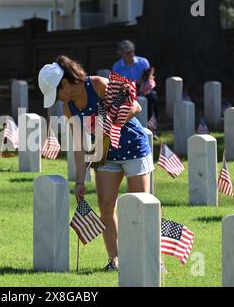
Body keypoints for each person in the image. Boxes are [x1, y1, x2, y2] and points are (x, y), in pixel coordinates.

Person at [38, 55, 154, 271]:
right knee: (106, 207)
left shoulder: (98, 85)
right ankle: (115, 259)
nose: (57, 100)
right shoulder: (69, 108)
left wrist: (111, 125)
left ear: (65, 84)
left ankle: (152, 258)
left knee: (141, 206)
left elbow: (135, 106)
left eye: (56, 95)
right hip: (105, 153)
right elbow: (80, 145)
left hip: (133, 148)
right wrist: (80, 181)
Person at [112, 40, 158, 120]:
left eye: (132, 51)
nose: (131, 54)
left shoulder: (143, 62)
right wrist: (134, 83)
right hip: (127, 92)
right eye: (128, 53)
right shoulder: (117, 67)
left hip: (144, 89)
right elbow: (117, 84)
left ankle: (152, 122)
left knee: (153, 98)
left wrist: (148, 78)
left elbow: (149, 77)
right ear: (121, 54)